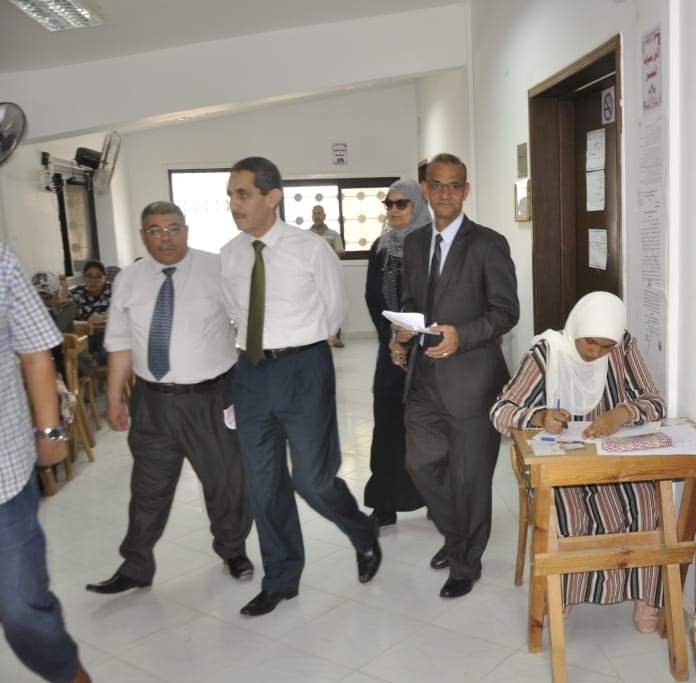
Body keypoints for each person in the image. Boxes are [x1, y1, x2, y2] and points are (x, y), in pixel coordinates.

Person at [222, 157, 381, 617]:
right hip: (251, 373)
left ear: (272, 197)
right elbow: (234, 313)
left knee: (312, 479)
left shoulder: (310, 249)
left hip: (303, 370)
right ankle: (281, 577)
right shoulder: (230, 254)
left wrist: (298, 346)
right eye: (230, 195)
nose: (234, 204)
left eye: (243, 194)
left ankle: (362, 531)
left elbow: (334, 312)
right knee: (263, 483)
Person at [85, 201, 253, 595]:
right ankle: (136, 565)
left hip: (211, 398)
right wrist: (114, 398)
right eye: (155, 230)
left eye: (174, 228)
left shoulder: (217, 268)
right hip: (152, 402)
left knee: (225, 482)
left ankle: (233, 550)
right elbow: (120, 343)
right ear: (143, 235)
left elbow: (249, 322)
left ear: (186, 230)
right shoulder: (129, 279)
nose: (166, 238)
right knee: (148, 487)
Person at [490, 290, 664, 632]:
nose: (595, 352)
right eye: (590, 342)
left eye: (605, 347)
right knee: (571, 514)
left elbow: (655, 402)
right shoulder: (547, 352)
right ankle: (563, 594)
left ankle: (645, 596)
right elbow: (500, 410)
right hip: (561, 468)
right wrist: (540, 416)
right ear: (577, 328)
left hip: (614, 464)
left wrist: (621, 414)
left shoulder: (623, 348)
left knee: (646, 503)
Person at [390, 153, 519, 599]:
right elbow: (413, 302)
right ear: (425, 190)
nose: (446, 193)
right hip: (423, 377)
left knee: (470, 479)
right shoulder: (413, 243)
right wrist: (401, 333)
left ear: (466, 191)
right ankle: (456, 534)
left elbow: (506, 312)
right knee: (420, 464)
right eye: (438, 185)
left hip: (472, 381)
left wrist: (461, 336)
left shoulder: (488, 244)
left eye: (455, 185)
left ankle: (466, 561)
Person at [0, 243, 92, 683]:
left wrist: (50, 431)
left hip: (3, 473)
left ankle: (68, 674)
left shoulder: (0, 259)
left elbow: (36, 350)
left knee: (21, 605)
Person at [363, 179, 428, 527]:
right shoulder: (381, 246)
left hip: (427, 352)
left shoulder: (431, 244)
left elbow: (435, 299)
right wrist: (390, 338)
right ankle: (384, 503)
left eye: (402, 204)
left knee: (428, 429)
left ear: (417, 205)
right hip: (389, 352)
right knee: (387, 426)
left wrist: (409, 338)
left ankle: (435, 499)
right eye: (389, 204)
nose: (394, 210)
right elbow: (373, 297)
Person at [31, 271, 96, 378]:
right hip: (46, 362)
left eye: (47, 298)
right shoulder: (32, 313)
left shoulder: (68, 306)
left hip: (73, 362)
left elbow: (54, 332)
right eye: (37, 298)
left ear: (56, 294)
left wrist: (51, 310)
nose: (42, 303)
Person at [310, 205, 346, 347]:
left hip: (330, 276)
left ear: (324, 216)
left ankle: (335, 336)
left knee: (333, 303)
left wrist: (324, 258)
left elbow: (340, 252)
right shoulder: (306, 235)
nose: (317, 216)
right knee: (314, 306)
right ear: (312, 216)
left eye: (320, 213)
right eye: (315, 213)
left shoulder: (334, 234)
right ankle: (315, 338)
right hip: (311, 277)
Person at [69, 260, 112, 365]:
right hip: (85, 335)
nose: (93, 280)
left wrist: (104, 316)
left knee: (105, 355)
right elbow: (68, 316)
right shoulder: (76, 293)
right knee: (75, 356)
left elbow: (125, 311)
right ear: (84, 278)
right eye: (89, 276)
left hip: (108, 334)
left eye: (98, 276)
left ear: (104, 278)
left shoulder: (114, 289)